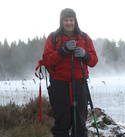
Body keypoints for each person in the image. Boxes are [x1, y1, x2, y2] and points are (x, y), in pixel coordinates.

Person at [42, 8, 98, 137]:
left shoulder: (84, 37)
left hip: (80, 85)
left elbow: (94, 61)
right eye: (66, 20)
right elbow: (47, 60)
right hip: (60, 87)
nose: (69, 23)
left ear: (75, 21)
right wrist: (63, 50)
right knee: (61, 125)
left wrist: (85, 55)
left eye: (71, 20)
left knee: (80, 125)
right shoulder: (53, 38)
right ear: (61, 22)